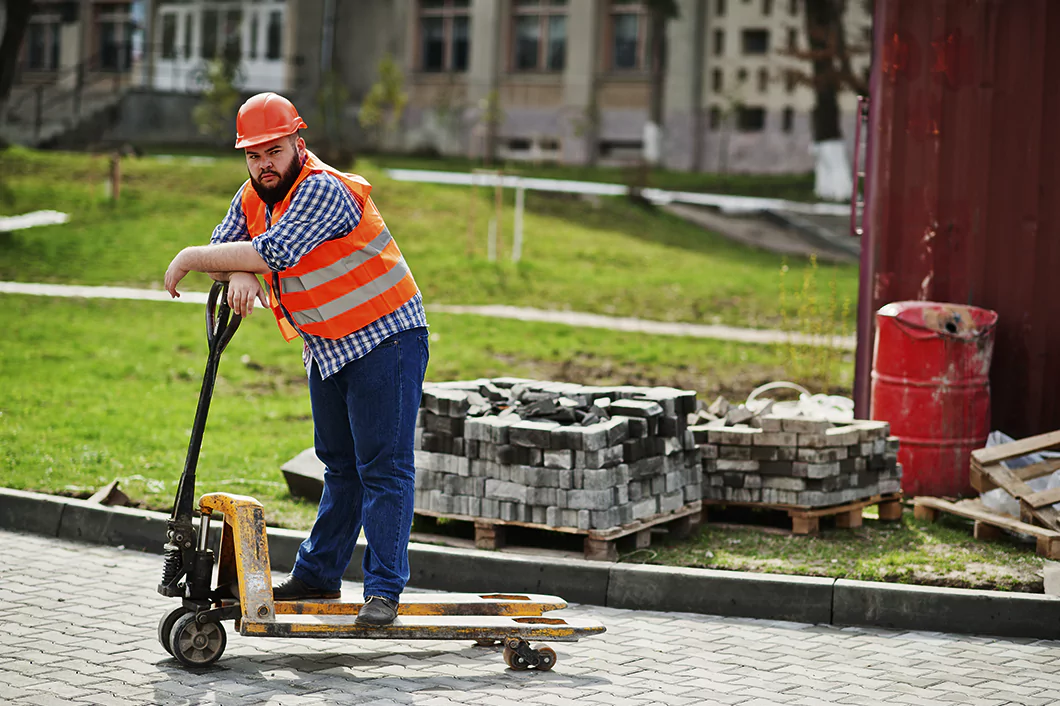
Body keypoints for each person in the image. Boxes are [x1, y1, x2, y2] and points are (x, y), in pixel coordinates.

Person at [163, 92, 428, 626]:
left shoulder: (324, 190)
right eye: (253, 155)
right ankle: (319, 574)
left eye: (274, 151)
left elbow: (268, 252)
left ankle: (382, 592)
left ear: (297, 144)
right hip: (328, 347)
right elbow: (230, 245)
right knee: (339, 465)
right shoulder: (254, 195)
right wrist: (237, 272)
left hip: (386, 338)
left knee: (383, 468)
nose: (264, 165)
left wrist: (199, 259)